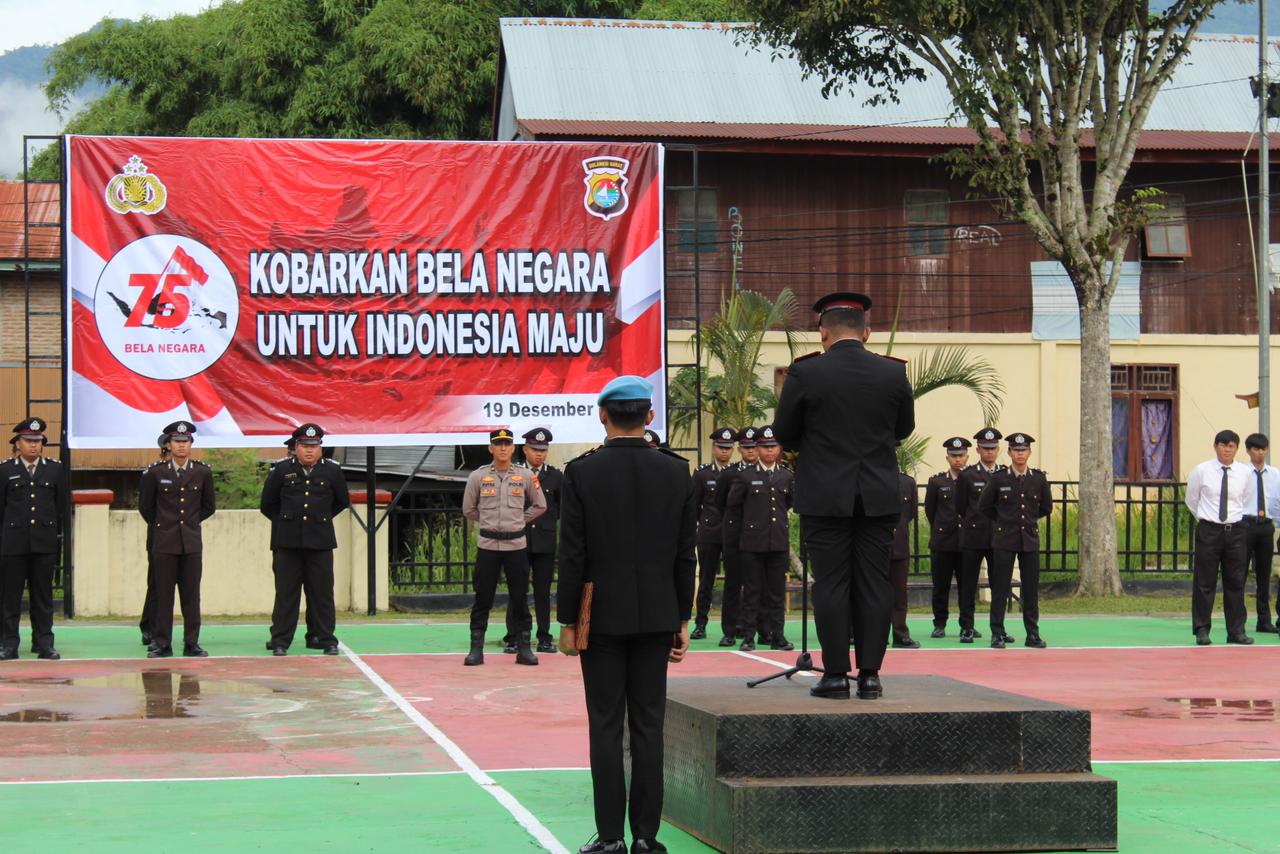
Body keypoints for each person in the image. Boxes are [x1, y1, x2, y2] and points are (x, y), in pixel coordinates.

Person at [556, 374, 696, 854]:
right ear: (649, 417)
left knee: (606, 725)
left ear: (603, 415)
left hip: (601, 616)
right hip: (658, 613)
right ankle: (646, 837)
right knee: (649, 727)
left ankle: (611, 836)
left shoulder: (581, 472)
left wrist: (568, 621)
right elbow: (685, 554)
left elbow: (571, 553)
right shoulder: (678, 472)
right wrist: (682, 617)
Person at [774, 292, 914, 701]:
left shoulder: (806, 374)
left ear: (823, 333)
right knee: (874, 583)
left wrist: (816, 444)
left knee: (831, 584)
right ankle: (870, 676)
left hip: (825, 495)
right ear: (867, 333)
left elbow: (784, 432)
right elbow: (902, 429)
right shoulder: (892, 374)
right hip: (876, 494)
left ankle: (834, 675)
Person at [259, 423, 351, 656]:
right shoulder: (281, 470)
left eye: (314, 445)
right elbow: (268, 505)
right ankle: (280, 640)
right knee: (286, 594)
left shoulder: (332, 471)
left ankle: (325, 638)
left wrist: (319, 520)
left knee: (322, 593)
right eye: (304, 445)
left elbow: (341, 502)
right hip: (288, 542)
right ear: (296, 447)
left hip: (320, 542)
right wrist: (287, 524)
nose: (309, 450)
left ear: (320, 447)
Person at [461, 428, 546, 666]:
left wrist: (519, 521)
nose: (502, 448)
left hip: (516, 545)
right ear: (490, 448)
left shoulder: (525, 476)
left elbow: (540, 505)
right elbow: (468, 509)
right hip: (488, 545)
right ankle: (476, 648)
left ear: (513, 448)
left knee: (519, 598)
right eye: (498, 444)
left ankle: (524, 648)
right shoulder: (477, 477)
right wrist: (488, 523)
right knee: (483, 598)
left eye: (507, 444)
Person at [138, 420, 216, 658]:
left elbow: (208, 507)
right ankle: (162, 643)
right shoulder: (155, 473)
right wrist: (166, 526)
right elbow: (147, 509)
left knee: (191, 596)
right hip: (164, 542)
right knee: (163, 595)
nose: (182, 446)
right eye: (177, 441)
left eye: (186, 441)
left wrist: (189, 524)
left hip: (191, 543)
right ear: (169, 444)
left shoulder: (202, 472)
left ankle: (191, 643)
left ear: (191, 444)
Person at [976, 433, 1052, 648]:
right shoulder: (999, 478)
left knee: (1030, 589)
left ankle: (1032, 634)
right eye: (1016, 450)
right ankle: (997, 633)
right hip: (1004, 538)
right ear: (1009, 452)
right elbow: (985, 506)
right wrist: (1003, 521)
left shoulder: (1038, 479)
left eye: (1023, 450)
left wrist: (1028, 521)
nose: (1020, 454)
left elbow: (1046, 507)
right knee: (1000, 588)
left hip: (1029, 538)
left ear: (1029, 452)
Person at [0, 418, 66, 660]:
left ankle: (44, 643)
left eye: (37, 441)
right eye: (28, 441)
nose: (33, 446)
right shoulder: (5, 470)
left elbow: (60, 506)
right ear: (17, 443)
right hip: (14, 543)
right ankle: (9, 644)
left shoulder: (55, 469)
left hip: (43, 542)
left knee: (43, 595)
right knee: (10, 596)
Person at [1185, 430, 1254, 645]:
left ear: (1236, 449)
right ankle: (1202, 629)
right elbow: (1192, 499)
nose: (1227, 449)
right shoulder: (1202, 471)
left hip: (1235, 532)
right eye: (1223, 445)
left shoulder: (1244, 473)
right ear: (1215, 446)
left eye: (1231, 445)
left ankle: (1236, 631)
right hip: (1209, 530)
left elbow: (1246, 498)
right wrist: (1208, 520)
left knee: (1235, 583)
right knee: (1204, 582)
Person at [730, 424, 794, 652]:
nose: (769, 451)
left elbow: (789, 504)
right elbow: (734, 510)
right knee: (752, 592)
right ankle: (749, 636)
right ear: (757, 448)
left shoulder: (786, 475)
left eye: (773, 446)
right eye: (764, 447)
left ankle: (778, 635)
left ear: (779, 448)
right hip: (752, 544)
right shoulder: (745, 476)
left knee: (776, 594)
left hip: (777, 543)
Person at [505, 428, 561, 654]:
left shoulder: (556, 476)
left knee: (543, 593)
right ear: (525, 449)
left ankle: (544, 636)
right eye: (535, 449)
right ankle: (513, 637)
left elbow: (560, 508)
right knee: (516, 591)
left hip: (544, 543)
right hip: (518, 540)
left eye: (543, 450)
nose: (539, 454)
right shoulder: (514, 474)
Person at [955, 428, 1005, 643]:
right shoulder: (967, 475)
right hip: (973, 536)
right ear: (977, 450)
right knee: (968, 584)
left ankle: (998, 629)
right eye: (985, 448)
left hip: (998, 537)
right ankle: (967, 627)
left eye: (993, 448)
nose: (989, 452)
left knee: (999, 584)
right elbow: (960, 506)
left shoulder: (1004, 474)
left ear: (999, 450)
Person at [690, 427, 736, 640]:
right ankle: (701, 623)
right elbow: (694, 505)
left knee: (734, 580)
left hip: (733, 534)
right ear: (714, 447)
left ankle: (734, 625)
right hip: (709, 534)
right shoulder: (702, 473)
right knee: (706, 580)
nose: (725, 451)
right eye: (721, 447)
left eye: (728, 447)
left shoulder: (739, 472)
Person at [715, 426, 759, 646]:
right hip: (734, 534)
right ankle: (729, 631)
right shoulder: (729, 473)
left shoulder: (767, 473)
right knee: (733, 584)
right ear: (739, 449)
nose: (750, 452)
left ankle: (761, 628)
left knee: (756, 584)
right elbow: (720, 502)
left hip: (758, 535)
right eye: (746, 447)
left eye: (754, 447)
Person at [924, 437, 972, 639]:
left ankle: (967, 625)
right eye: (954, 456)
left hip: (968, 543)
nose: (958, 459)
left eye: (961, 455)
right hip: (943, 542)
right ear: (947, 457)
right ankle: (940, 623)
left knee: (967, 587)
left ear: (967, 457)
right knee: (940, 587)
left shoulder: (974, 479)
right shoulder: (937, 482)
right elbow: (930, 512)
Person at [1240, 433, 1280, 634]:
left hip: (1266, 526)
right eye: (1256, 449)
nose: (1260, 453)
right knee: (1239, 573)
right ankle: (1238, 621)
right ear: (1248, 451)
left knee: (1264, 575)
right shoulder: (1241, 473)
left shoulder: (1275, 474)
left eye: (1263, 449)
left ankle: (1264, 620)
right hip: (1246, 524)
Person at [138, 433, 170, 648]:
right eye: (166, 453)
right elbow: (146, 507)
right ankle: (149, 626)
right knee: (157, 583)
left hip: (180, 535)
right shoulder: (153, 473)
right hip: (159, 534)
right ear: (163, 452)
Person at [889, 469, 921, 648]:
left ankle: (900, 635)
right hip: (876, 545)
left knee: (900, 595)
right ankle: (873, 635)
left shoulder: (908, 482)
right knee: (874, 594)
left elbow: (910, 514)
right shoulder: (871, 478)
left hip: (900, 545)